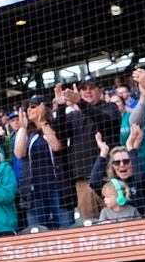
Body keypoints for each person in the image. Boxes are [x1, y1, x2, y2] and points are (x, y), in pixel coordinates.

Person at [55, 79, 121, 222]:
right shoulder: (73, 116)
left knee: (116, 221)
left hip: (107, 178)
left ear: (100, 90)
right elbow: (60, 134)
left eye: (91, 88)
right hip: (83, 181)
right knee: (90, 225)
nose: (87, 91)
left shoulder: (110, 107)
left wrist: (80, 103)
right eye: (83, 89)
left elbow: (105, 121)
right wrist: (60, 107)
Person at [12, 95, 72, 229]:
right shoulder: (28, 133)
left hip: (58, 189)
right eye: (27, 108)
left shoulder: (56, 126)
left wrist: (43, 121)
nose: (29, 110)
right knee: (36, 233)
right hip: (34, 193)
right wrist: (22, 128)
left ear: (44, 107)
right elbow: (19, 153)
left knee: (66, 230)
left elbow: (56, 146)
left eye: (33, 106)